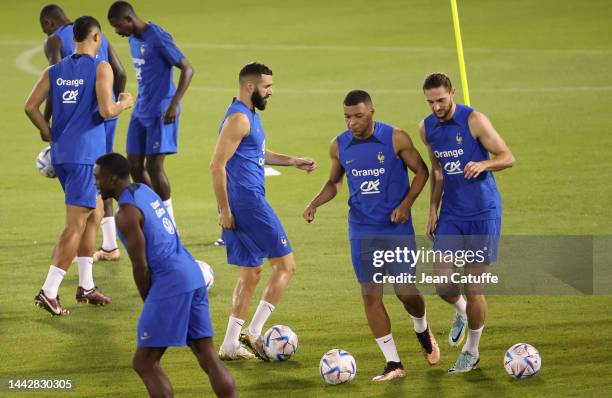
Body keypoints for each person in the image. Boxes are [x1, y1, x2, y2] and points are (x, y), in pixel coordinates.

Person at [303, 90, 440, 381]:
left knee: (406, 293)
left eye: (358, 116)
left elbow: (422, 172)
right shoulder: (339, 145)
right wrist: (315, 202)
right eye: (347, 117)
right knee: (371, 296)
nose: (352, 122)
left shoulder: (395, 138)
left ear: (372, 112)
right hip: (362, 231)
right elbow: (334, 182)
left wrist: (406, 205)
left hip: (395, 229)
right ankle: (393, 363)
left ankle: (422, 327)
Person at [94, 153, 236, 398]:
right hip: (192, 273)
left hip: (170, 282)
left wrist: (150, 301)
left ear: (112, 178)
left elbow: (140, 265)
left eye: (97, 178)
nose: (94, 183)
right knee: (207, 354)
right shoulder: (144, 191)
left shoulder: (126, 214)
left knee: (144, 362)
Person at [25, 16, 134, 315]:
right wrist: (124, 102)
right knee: (75, 224)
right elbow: (106, 110)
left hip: (63, 156)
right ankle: (48, 291)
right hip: (86, 157)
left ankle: (86, 286)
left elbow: (30, 106)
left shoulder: (55, 70)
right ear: (96, 37)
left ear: (74, 37)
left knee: (95, 214)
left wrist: (48, 133)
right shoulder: (101, 67)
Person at [210, 62, 316, 360]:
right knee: (286, 266)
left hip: (242, 203)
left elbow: (256, 153)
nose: (270, 92)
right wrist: (224, 210)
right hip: (248, 203)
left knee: (252, 272)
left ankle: (231, 343)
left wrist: (292, 160)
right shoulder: (239, 120)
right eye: (266, 87)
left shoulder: (247, 116)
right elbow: (216, 166)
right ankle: (254, 332)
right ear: (249, 87)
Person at [419, 72, 515, 373]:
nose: (436, 107)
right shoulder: (427, 128)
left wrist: (484, 163)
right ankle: (461, 311)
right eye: (430, 102)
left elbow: (507, 156)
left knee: (474, 287)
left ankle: (472, 352)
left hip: (483, 214)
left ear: (453, 93)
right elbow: (437, 172)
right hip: (451, 214)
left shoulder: (475, 120)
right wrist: (433, 209)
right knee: (443, 284)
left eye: (441, 100)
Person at [39, 4, 128, 262]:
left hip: (76, 132)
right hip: (104, 120)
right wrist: (115, 104)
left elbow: (58, 89)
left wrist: (50, 127)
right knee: (100, 183)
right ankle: (109, 244)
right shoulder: (100, 37)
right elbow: (120, 72)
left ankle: (64, 278)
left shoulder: (54, 41)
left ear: (47, 23)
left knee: (83, 202)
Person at [107, 1, 194, 228]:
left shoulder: (157, 37)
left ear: (129, 19)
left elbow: (187, 68)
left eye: (118, 26)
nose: (117, 32)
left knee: (155, 166)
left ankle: (169, 222)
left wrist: (174, 103)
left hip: (162, 110)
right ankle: (154, 211)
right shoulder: (134, 38)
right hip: (141, 109)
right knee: (133, 164)